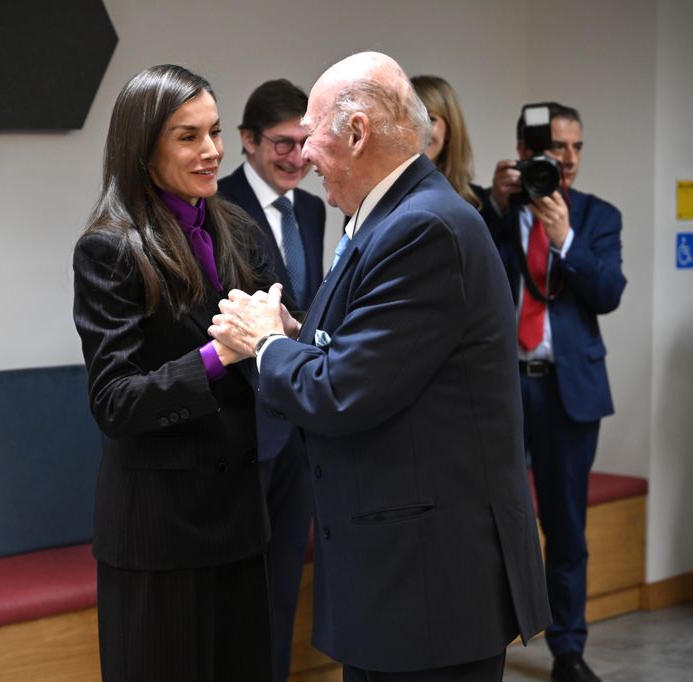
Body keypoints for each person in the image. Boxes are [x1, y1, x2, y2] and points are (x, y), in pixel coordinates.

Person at [210, 51, 551, 681]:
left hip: (427, 583)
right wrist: (293, 332)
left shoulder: (422, 228)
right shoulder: (392, 217)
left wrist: (265, 344)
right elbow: (366, 349)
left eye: (311, 136)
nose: (304, 156)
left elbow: (342, 391)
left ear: (359, 133)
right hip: (402, 578)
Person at [71, 64, 276, 681]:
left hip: (239, 520)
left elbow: (280, 321)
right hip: (160, 533)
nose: (212, 151)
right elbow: (114, 401)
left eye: (214, 132)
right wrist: (220, 356)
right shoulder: (109, 247)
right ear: (143, 148)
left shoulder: (235, 226)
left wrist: (283, 335)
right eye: (188, 137)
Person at [480, 102, 626, 682]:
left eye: (576, 147)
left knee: (566, 526)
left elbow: (608, 292)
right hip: (503, 391)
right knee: (494, 519)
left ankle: (568, 649)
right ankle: (488, 636)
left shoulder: (598, 216)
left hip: (570, 393)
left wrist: (564, 238)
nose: (567, 160)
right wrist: (494, 203)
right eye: (555, 148)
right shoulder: (493, 212)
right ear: (524, 153)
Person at [217, 78, 326, 682]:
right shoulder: (218, 202)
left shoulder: (312, 207)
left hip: (302, 423)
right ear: (248, 141)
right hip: (245, 423)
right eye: (283, 143)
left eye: (305, 143)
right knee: (242, 583)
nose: (296, 158)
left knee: (286, 580)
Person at [410, 74, 487, 210]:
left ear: (450, 128)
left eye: (430, 118)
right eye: (411, 118)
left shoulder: (479, 203)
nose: (419, 130)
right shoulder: (381, 197)